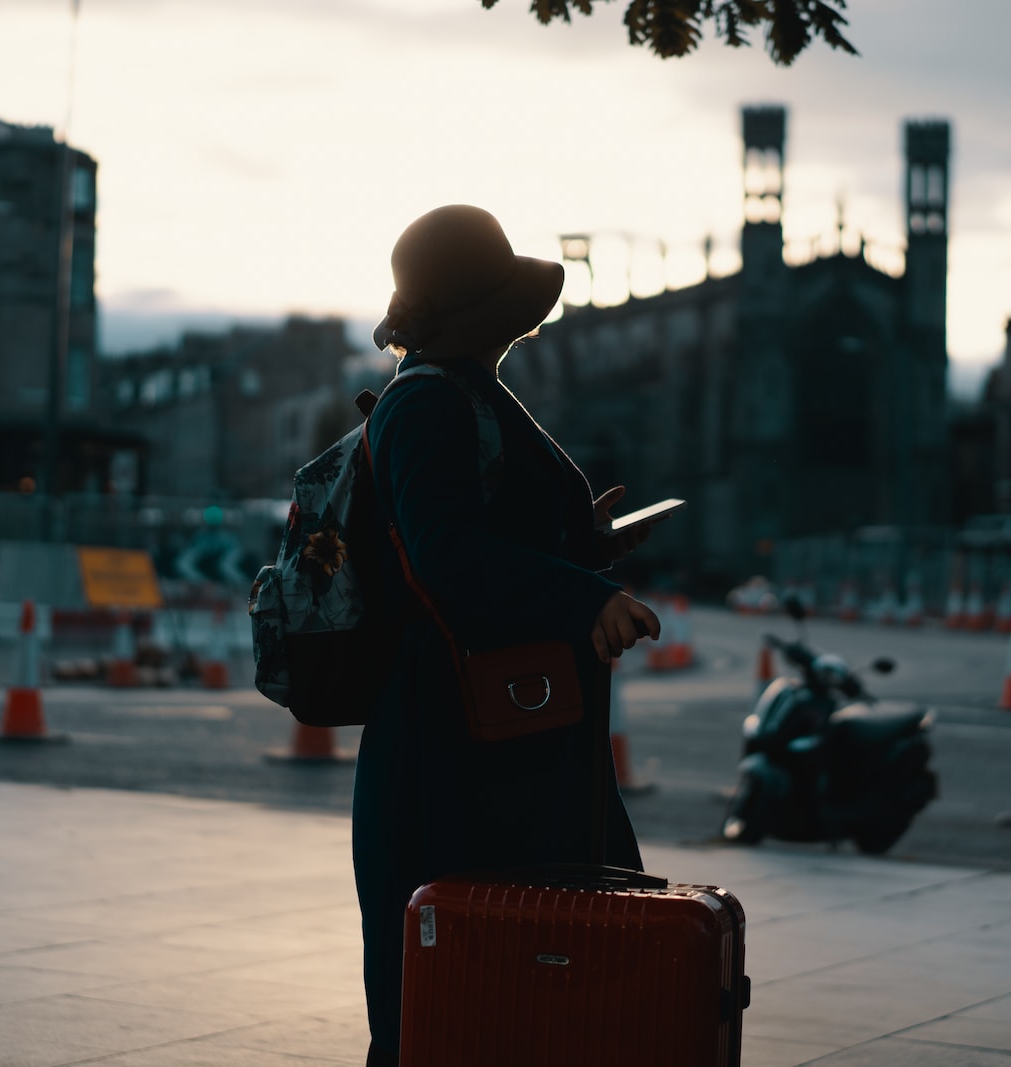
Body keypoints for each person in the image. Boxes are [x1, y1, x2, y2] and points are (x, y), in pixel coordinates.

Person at [354, 205, 665, 1066]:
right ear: (470, 311)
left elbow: (484, 533)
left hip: (507, 731)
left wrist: (585, 543)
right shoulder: (428, 403)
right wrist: (581, 597)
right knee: (455, 992)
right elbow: (445, 554)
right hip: (459, 743)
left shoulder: (469, 394)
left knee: (522, 976)